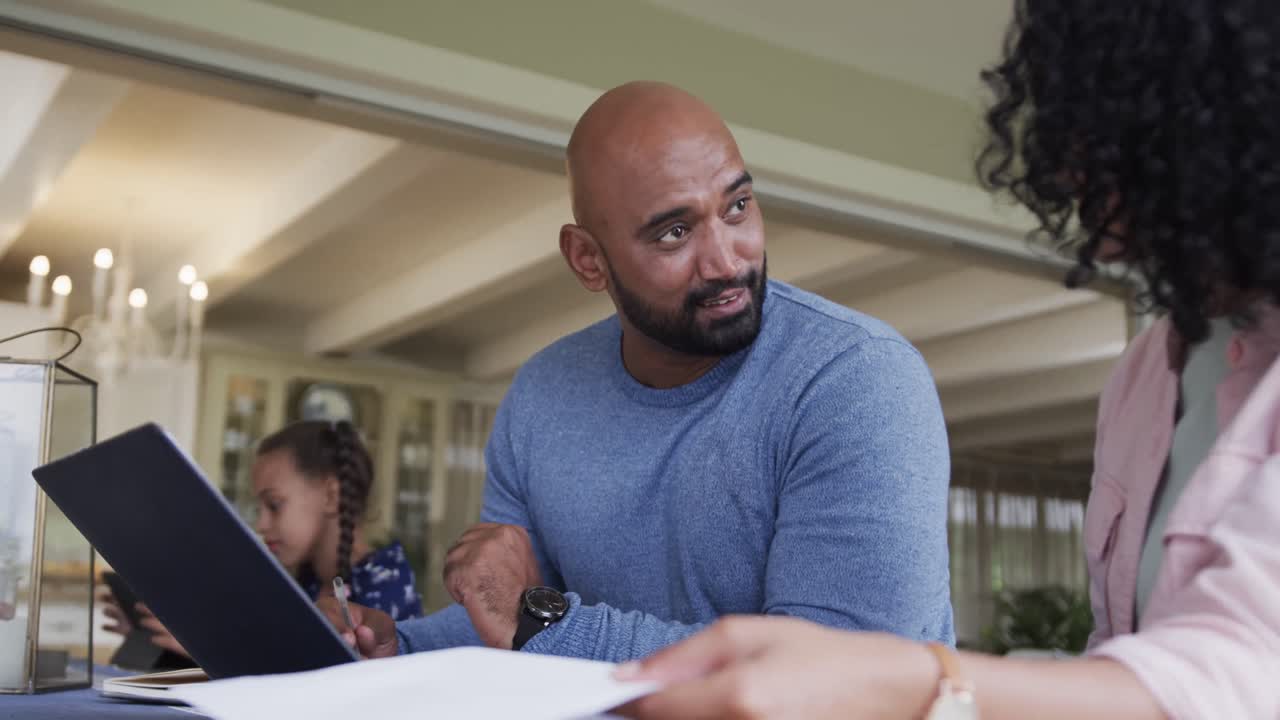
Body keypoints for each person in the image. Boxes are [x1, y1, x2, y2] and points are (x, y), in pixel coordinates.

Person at [616, 1, 1280, 718]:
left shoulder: (856, 376)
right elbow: (1121, 658)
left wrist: (913, 679)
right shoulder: (1148, 375)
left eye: (1105, 134)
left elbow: (1242, 672)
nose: (1070, 173)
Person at [319, 81, 955, 663]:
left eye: (737, 207)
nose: (725, 262)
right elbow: (510, 622)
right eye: (675, 232)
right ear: (588, 260)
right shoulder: (543, 396)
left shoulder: (855, 380)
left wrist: (537, 618)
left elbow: (834, 676)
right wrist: (398, 646)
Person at [102, 420, 423, 659]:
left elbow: (331, 686)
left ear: (331, 495)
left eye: (274, 505)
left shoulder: (388, 582)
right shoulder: (304, 584)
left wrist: (210, 647)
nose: (261, 523)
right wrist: (148, 635)